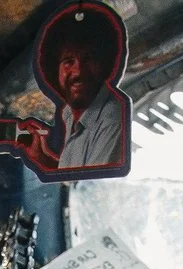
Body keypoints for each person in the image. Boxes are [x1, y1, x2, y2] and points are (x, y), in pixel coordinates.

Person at [38, 5, 130, 175]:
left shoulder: (111, 116)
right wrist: (42, 158)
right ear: (56, 71)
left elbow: (87, 188)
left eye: (88, 59)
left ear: (103, 65)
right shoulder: (69, 113)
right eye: (68, 61)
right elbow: (74, 175)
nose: (78, 71)